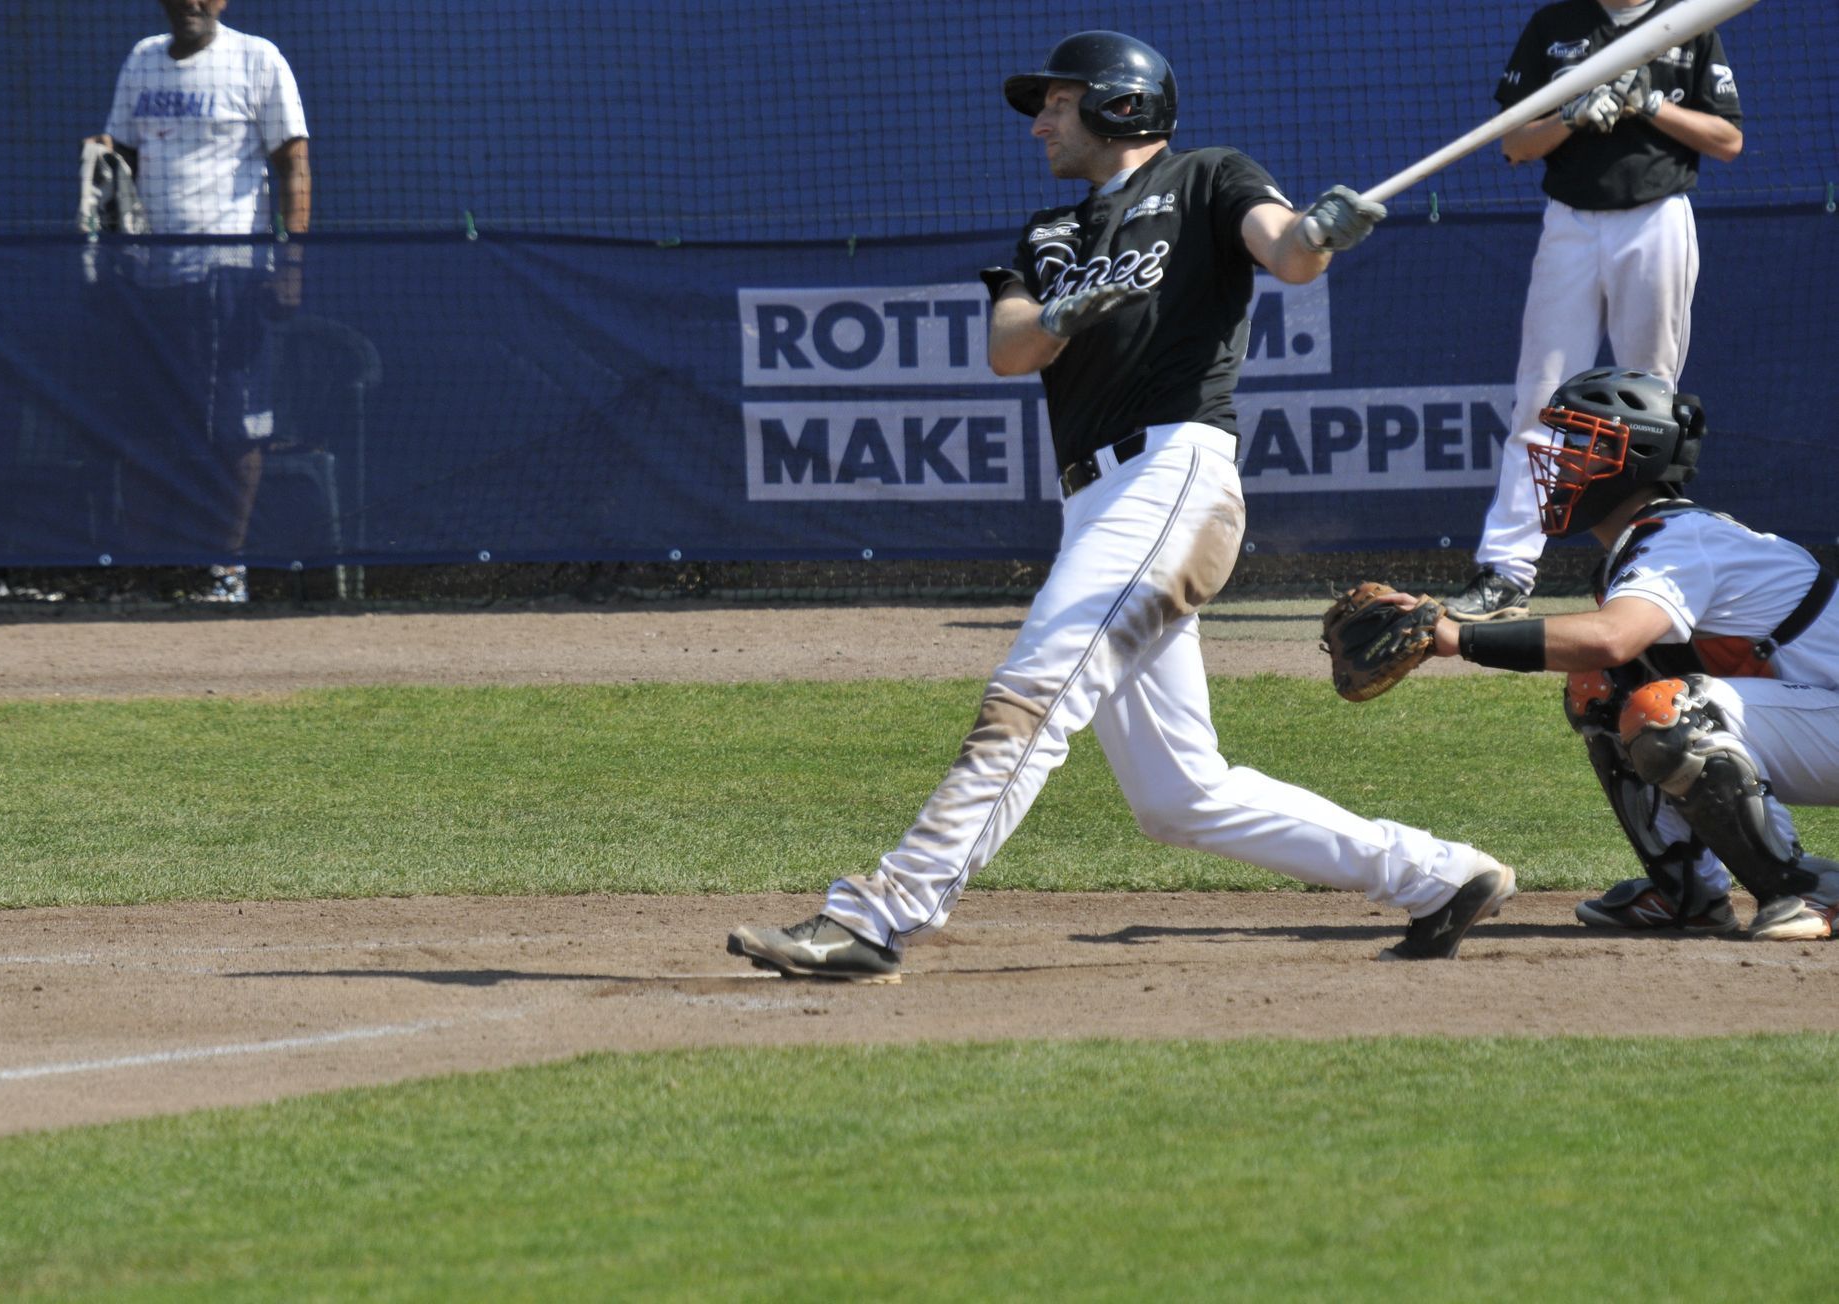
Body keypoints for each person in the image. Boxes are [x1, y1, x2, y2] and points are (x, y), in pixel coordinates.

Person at [726, 30, 1519, 983]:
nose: (1038, 125)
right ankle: (1438, 875)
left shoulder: (1206, 178)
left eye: (1055, 104)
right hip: (1094, 502)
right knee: (1178, 797)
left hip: (1169, 474)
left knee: (1031, 693)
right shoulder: (1047, 235)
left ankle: (880, 916)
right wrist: (1066, 308)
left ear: (1121, 104)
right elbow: (1011, 348)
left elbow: (1286, 253)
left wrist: (1317, 232)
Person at [1403, 367, 1839, 940]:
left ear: (1636, 455)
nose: (1560, 461)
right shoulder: (1654, 541)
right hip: (1818, 715)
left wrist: (1458, 638)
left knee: (1676, 712)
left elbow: (1614, 635)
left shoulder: (1678, 540)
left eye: (1581, 443)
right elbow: (1609, 656)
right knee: (1601, 686)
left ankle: (1807, 888)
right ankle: (1688, 891)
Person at [1447, 0, 1742, 622]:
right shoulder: (1558, 24)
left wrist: (1650, 104)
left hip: (1657, 217)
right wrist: (1573, 115)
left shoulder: (1687, 22)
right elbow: (1517, 143)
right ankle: (1505, 570)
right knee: (1540, 398)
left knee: (1652, 402)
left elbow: (1728, 140)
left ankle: (1657, 564)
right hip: (1572, 223)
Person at [85, 0, 310, 602]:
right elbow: (123, 159)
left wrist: (290, 263)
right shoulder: (141, 61)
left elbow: (293, 163)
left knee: (238, 430)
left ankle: (225, 570)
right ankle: (141, 572)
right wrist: (109, 232)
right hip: (151, 280)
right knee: (146, 428)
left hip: (232, 275)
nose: (191, 2)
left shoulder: (257, 60)